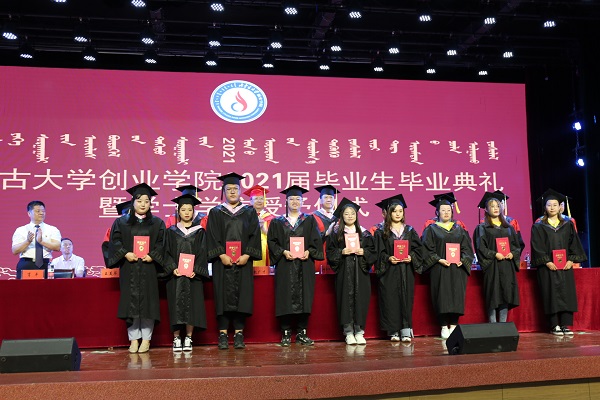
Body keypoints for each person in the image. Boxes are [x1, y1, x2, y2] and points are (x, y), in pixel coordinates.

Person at [106, 183, 167, 354]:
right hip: (130, 268)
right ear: (133, 202)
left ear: (150, 203)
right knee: (130, 306)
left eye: (147, 201)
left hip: (149, 269)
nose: (143, 204)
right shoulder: (121, 222)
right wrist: (125, 254)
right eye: (139, 201)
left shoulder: (157, 223)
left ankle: (146, 339)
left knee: (148, 304)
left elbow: (162, 243)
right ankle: (133, 340)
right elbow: (114, 242)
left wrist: (153, 255)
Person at [206, 172, 262, 350]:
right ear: (223, 191)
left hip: (243, 262)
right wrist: (221, 254)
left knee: (242, 297)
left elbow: (254, 235)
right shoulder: (215, 212)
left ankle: (239, 333)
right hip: (222, 263)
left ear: (239, 191)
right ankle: (222, 334)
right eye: (229, 189)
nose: (232, 192)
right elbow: (212, 236)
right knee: (222, 297)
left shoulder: (249, 212)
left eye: (235, 189)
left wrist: (247, 255)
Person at [267, 185, 323, 346]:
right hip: (285, 264)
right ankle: (285, 332)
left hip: (304, 265)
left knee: (305, 297)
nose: (295, 202)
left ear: (302, 201)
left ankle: (302, 332)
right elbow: (272, 242)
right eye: (291, 199)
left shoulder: (309, 220)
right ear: (286, 201)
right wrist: (283, 252)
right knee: (284, 297)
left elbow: (316, 241)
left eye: (298, 199)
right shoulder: (277, 222)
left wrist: (309, 252)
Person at [530, 189, 587, 336]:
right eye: (549, 205)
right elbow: (537, 246)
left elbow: (574, 244)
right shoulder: (538, 226)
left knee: (566, 293)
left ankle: (565, 325)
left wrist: (571, 260)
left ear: (560, 207)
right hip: (548, 267)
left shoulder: (567, 225)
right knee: (550, 294)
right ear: (545, 207)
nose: (552, 208)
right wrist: (547, 262)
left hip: (565, 266)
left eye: (555, 205)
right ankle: (554, 325)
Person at [421, 193, 474, 340]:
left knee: (457, 295)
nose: (446, 213)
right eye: (443, 210)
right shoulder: (431, 229)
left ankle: (454, 325)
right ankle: (444, 325)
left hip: (457, 269)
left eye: (449, 210)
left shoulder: (459, 229)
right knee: (442, 296)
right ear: (437, 212)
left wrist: (463, 260)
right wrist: (438, 260)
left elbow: (467, 249)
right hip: (440, 268)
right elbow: (426, 249)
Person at [374, 194, 426, 342]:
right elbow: (378, 253)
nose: (398, 214)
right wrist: (388, 258)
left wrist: (411, 257)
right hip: (389, 271)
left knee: (406, 298)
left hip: (406, 270)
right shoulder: (381, 232)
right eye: (394, 211)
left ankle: (406, 330)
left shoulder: (409, 230)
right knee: (390, 299)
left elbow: (419, 250)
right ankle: (393, 331)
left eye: (400, 211)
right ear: (389, 213)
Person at [326, 198, 377, 345]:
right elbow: (330, 252)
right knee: (345, 301)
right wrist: (341, 252)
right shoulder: (336, 233)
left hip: (361, 272)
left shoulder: (364, 233)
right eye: (346, 213)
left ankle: (360, 332)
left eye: (353, 213)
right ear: (342, 216)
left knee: (361, 300)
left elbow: (373, 252)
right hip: (344, 273)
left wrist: (364, 252)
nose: (350, 216)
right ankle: (348, 332)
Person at [164, 194, 209, 352]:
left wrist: (196, 270)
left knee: (192, 306)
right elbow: (166, 253)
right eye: (183, 210)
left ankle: (189, 337)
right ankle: (176, 338)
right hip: (175, 276)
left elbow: (203, 253)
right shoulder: (171, 231)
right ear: (178, 211)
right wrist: (172, 268)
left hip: (192, 276)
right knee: (175, 306)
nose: (187, 212)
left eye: (190, 209)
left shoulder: (200, 232)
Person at [473, 192, 521, 323]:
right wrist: (494, 254)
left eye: (498, 206)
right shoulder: (482, 228)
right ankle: (493, 324)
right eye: (492, 206)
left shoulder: (508, 227)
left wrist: (513, 253)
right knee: (493, 295)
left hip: (507, 265)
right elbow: (480, 247)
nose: (495, 208)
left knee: (506, 294)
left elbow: (517, 245)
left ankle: (503, 324)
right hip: (492, 265)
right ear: (486, 209)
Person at [12, 200, 61, 279]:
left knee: (46, 287)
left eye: (43, 211)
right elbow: (15, 250)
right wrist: (27, 241)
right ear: (29, 213)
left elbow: (57, 247)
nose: (41, 213)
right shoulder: (21, 230)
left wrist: (41, 241)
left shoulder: (52, 229)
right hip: (27, 264)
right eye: (38, 211)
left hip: (45, 264)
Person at [243, 184, 275, 272]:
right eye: (256, 198)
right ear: (250, 201)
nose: (259, 201)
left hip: (266, 252)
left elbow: (276, 238)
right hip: (249, 251)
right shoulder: (245, 217)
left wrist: (263, 228)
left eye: (261, 198)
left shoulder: (271, 218)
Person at [312, 185, 340, 274]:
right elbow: (311, 239)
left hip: (337, 256)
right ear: (320, 200)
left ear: (334, 200)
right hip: (320, 255)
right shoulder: (312, 217)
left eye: (331, 197)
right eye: (326, 197)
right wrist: (326, 233)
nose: (328, 200)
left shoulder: (340, 217)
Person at [102, 200, 131, 268]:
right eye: (126, 215)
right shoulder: (112, 231)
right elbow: (107, 248)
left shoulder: (144, 229)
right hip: (121, 266)